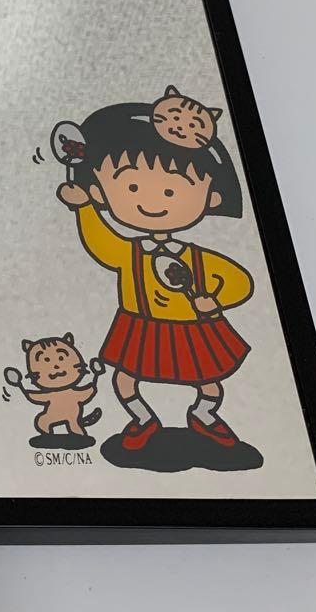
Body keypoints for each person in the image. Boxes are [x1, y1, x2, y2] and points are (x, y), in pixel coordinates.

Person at [56, 98, 253, 451]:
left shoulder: (198, 258)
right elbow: (100, 243)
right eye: (131, 188)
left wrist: (215, 300)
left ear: (211, 198)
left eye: (171, 191)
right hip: (141, 325)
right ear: (100, 191)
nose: (152, 201)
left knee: (208, 381)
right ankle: (143, 419)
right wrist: (83, 207)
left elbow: (239, 282)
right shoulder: (129, 252)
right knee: (126, 379)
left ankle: (204, 414)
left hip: (193, 327)